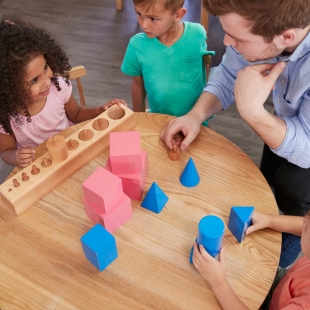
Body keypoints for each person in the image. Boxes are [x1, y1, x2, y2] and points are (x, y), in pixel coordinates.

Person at [160, 0, 310, 268]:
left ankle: (279, 267)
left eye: (237, 37)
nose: (226, 42)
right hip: (284, 126)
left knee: (294, 209)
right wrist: (195, 115)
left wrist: (253, 112)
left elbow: (307, 149)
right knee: (269, 186)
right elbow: (228, 74)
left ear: (286, 36)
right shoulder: (265, 26)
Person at [0, 14, 127, 170]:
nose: (47, 81)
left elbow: (77, 114)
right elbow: (6, 151)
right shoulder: (5, 116)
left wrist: (99, 110)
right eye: (34, 80)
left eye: (46, 67)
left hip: (71, 151)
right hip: (41, 167)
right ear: (9, 87)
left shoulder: (58, 88)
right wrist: (16, 156)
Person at [121, 0, 215, 126]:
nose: (144, 25)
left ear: (178, 15)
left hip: (196, 121)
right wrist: (139, 119)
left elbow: (205, 71)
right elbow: (137, 83)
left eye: (153, 18)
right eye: (139, 14)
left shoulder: (198, 34)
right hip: (158, 120)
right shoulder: (136, 45)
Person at [192, 210, 310, 310]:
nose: (303, 222)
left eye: (306, 228)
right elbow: (303, 223)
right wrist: (270, 220)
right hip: (285, 283)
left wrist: (219, 282)